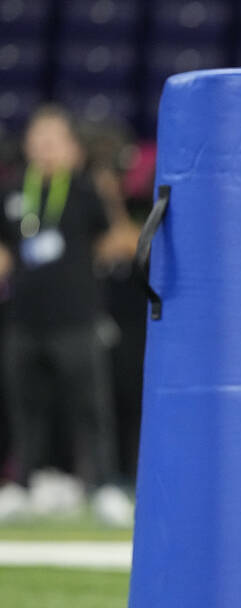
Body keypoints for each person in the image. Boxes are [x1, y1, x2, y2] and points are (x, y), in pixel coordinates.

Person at [0, 105, 134, 525]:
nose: (45, 147)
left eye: (53, 139)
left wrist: (109, 194)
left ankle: (102, 487)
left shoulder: (85, 189)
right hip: (24, 320)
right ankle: (23, 485)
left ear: (72, 147)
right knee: (24, 408)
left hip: (77, 319)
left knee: (90, 409)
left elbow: (118, 241)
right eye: (38, 138)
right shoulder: (13, 190)